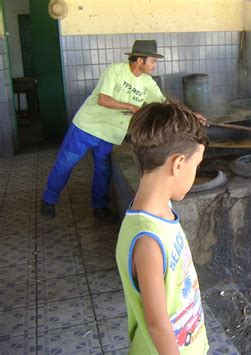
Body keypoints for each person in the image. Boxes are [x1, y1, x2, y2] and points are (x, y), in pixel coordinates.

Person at [116, 102, 209, 354]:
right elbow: (157, 324)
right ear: (178, 164)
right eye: (196, 165)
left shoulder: (158, 205)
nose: (196, 172)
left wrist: (189, 125)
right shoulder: (147, 239)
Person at [40, 40, 166, 221]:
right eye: (153, 61)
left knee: (103, 171)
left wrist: (190, 114)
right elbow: (104, 100)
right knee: (66, 163)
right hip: (87, 126)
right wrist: (131, 107)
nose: (155, 65)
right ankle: (48, 201)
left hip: (110, 133)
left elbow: (163, 103)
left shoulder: (147, 82)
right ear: (140, 60)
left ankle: (99, 207)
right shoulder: (115, 70)